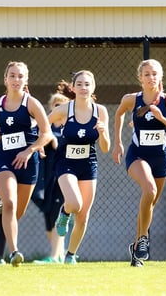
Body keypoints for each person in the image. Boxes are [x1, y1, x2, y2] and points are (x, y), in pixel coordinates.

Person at [0, 61, 52, 267]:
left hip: (28, 162)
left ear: (26, 80)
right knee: (9, 203)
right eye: (12, 75)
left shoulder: (31, 103)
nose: (16, 80)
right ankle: (14, 252)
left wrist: (30, 150)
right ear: (5, 79)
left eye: (20, 76)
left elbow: (47, 133)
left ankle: (6, 221)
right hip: (4, 160)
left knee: (17, 212)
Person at [112, 59, 166, 267]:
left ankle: (137, 248)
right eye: (147, 74)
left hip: (160, 158)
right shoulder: (131, 99)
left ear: (160, 76)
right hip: (137, 155)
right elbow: (118, 114)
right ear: (140, 78)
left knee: (150, 201)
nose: (151, 77)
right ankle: (143, 239)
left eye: (154, 73)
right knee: (149, 189)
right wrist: (118, 143)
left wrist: (162, 118)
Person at [48, 70, 110, 264]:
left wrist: (103, 132)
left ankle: (71, 255)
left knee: (83, 217)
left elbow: (105, 148)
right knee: (75, 204)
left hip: (88, 165)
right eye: (80, 84)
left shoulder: (101, 111)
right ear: (73, 88)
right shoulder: (64, 110)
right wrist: (36, 144)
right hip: (65, 162)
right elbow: (42, 125)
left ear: (93, 87)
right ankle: (64, 213)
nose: (84, 88)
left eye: (87, 84)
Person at [32, 83, 74, 264]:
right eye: (55, 106)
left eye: (61, 105)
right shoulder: (45, 127)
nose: (58, 109)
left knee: (58, 214)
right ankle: (59, 254)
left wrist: (55, 140)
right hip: (45, 178)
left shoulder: (70, 127)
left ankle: (55, 256)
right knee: (48, 215)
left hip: (62, 177)